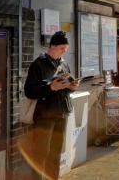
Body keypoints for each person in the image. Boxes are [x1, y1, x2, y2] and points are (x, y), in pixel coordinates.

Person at [23, 31, 79, 180]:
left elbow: (67, 85)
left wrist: (72, 87)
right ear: (52, 46)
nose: (64, 51)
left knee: (56, 154)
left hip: (62, 113)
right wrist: (50, 88)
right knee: (41, 153)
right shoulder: (38, 64)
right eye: (61, 48)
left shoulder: (64, 63)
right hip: (45, 116)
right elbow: (29, 91)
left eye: (66, 49)